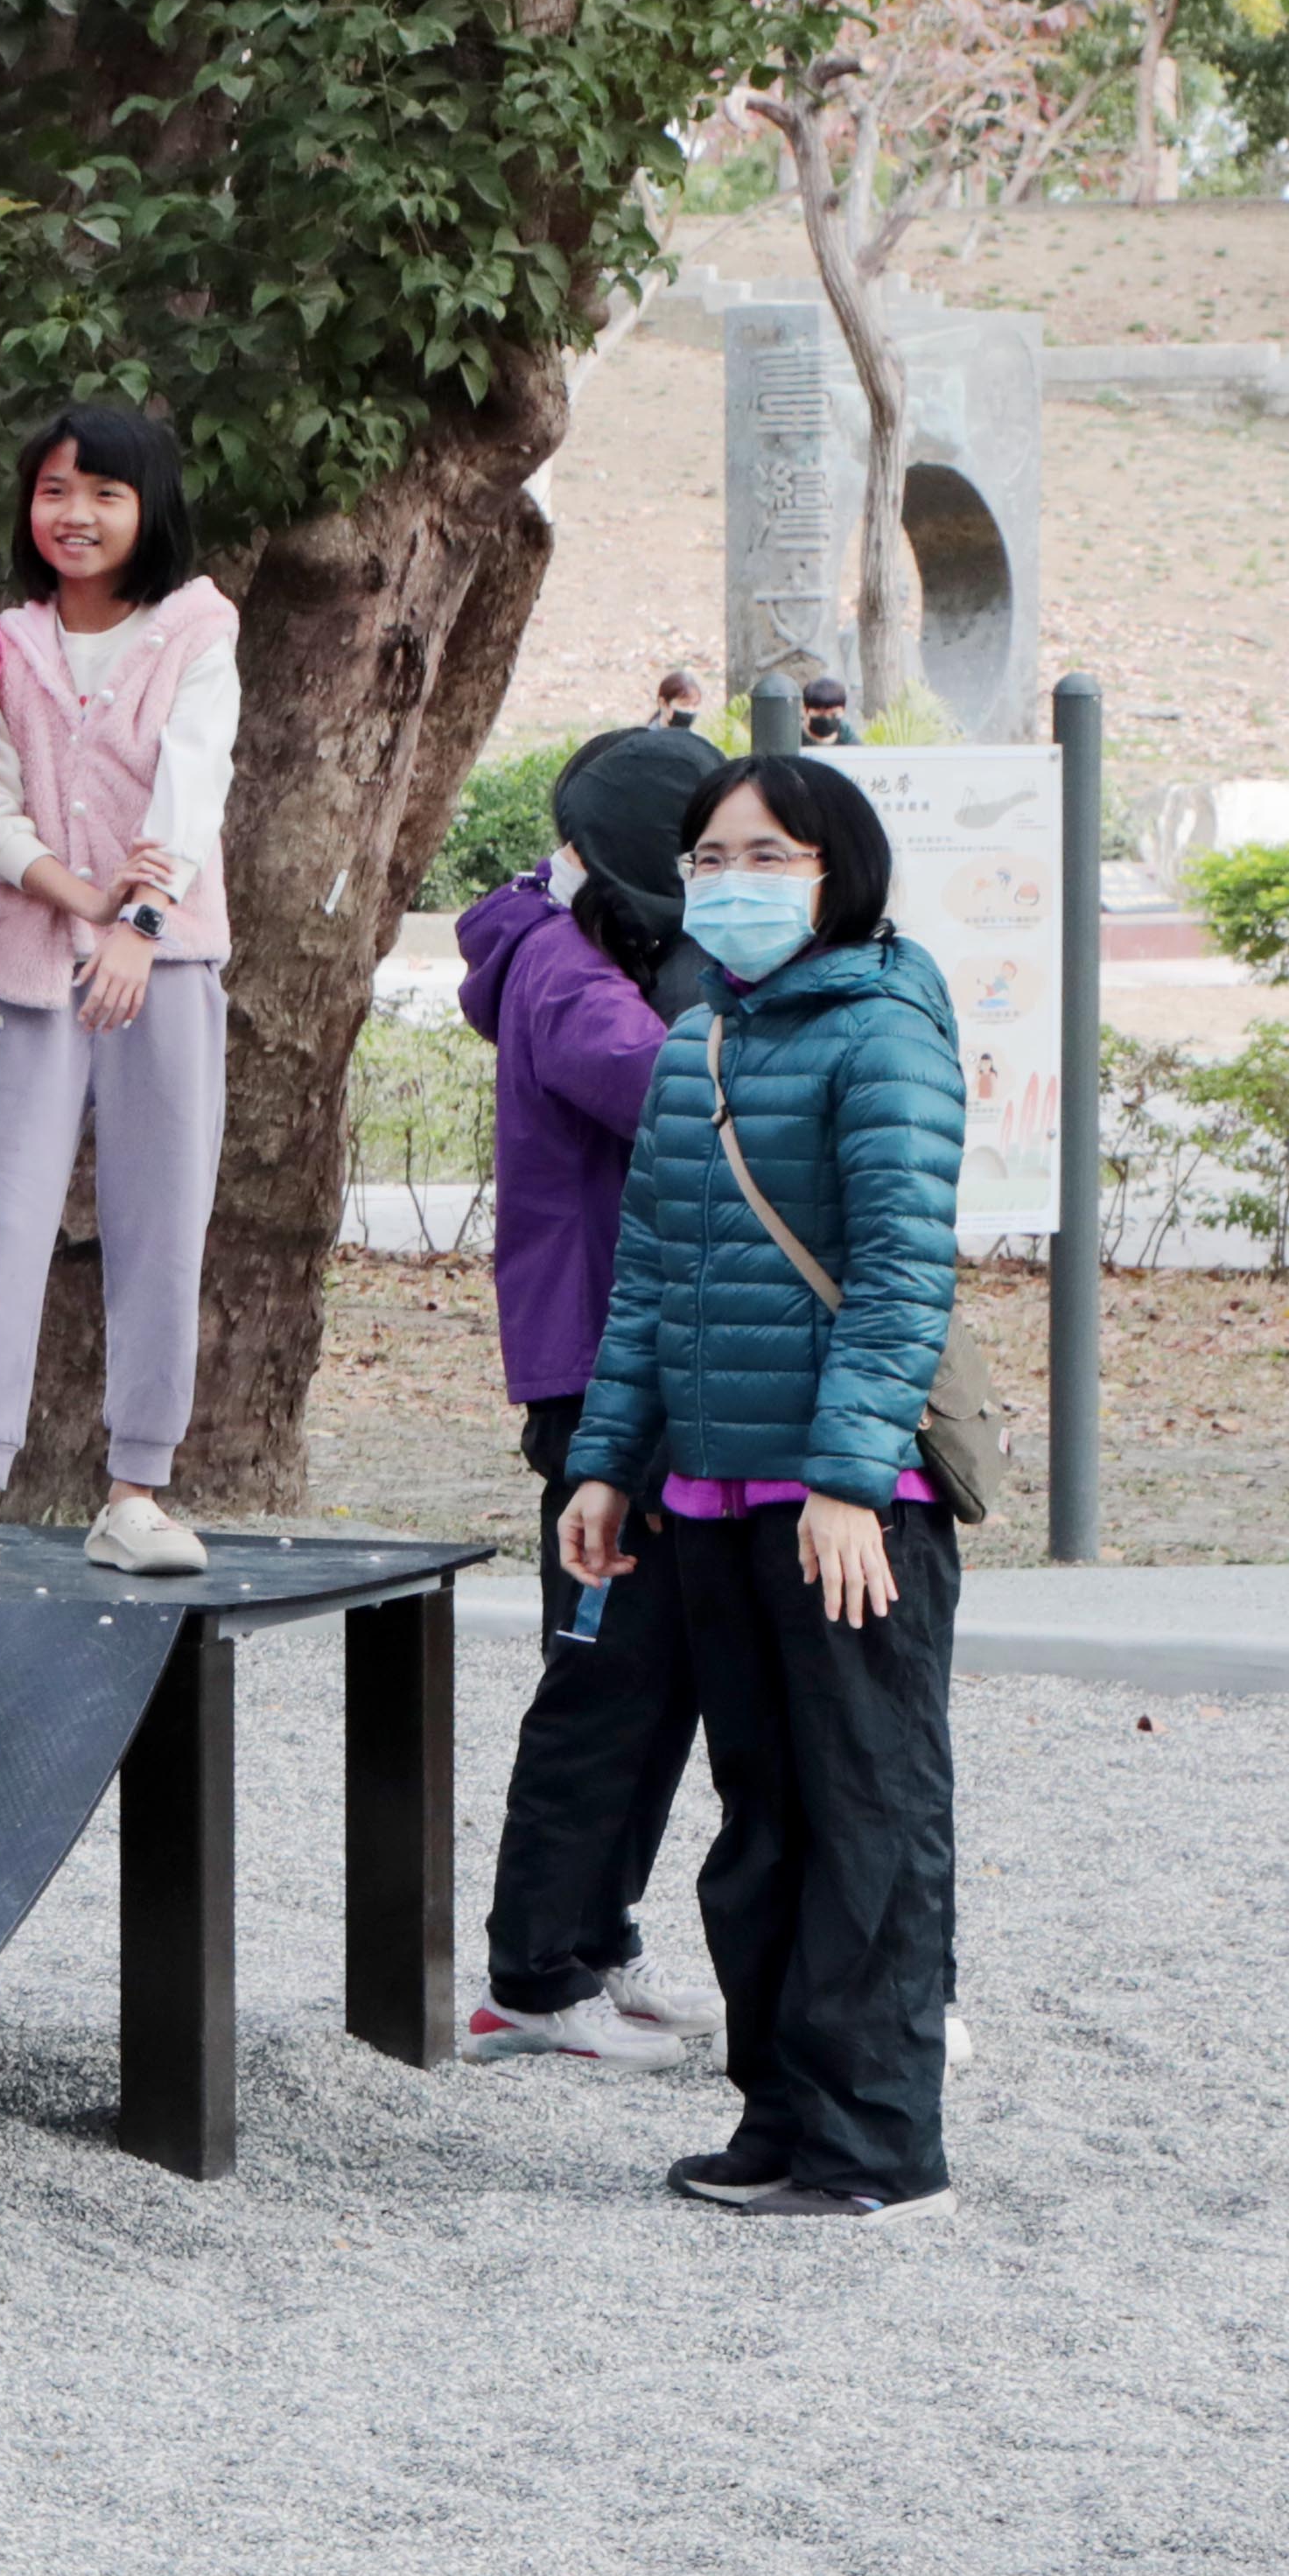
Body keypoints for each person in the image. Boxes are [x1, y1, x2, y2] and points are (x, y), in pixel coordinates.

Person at [554, 753, 968, 2222]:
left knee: (868, 1818)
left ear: (837, 870)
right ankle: (782, 2116)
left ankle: (877, 2147)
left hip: (851, 1510)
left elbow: (906, 1272)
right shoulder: (697, 1049)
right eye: (711, 855)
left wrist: (851, 1481)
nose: (733, 880)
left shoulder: (887, 1033)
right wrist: (608, 1462)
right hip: (720, 1500)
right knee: (763, 1827)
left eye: (770, 854)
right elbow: (653, 1280)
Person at [0, 402, 234, 1583]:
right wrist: (80, 902)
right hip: (32, 968)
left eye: (103, 493)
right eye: (52, 491)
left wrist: (137, 923)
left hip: (168, 964)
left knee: (162, 1221)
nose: (75, 515)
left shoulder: (196, 624)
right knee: (2, 1222)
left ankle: (138, 1485)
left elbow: (192, 789)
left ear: (149, 509)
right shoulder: (2, 640)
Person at [453, 725, 726, 2064]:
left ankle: (596, 1942)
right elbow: (663, 1084)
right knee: (602, 1679)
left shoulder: (572, 943)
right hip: (595, 1380)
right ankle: (531, 1975)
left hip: (625, 1364)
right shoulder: (563, 970)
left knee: (652, 1677)